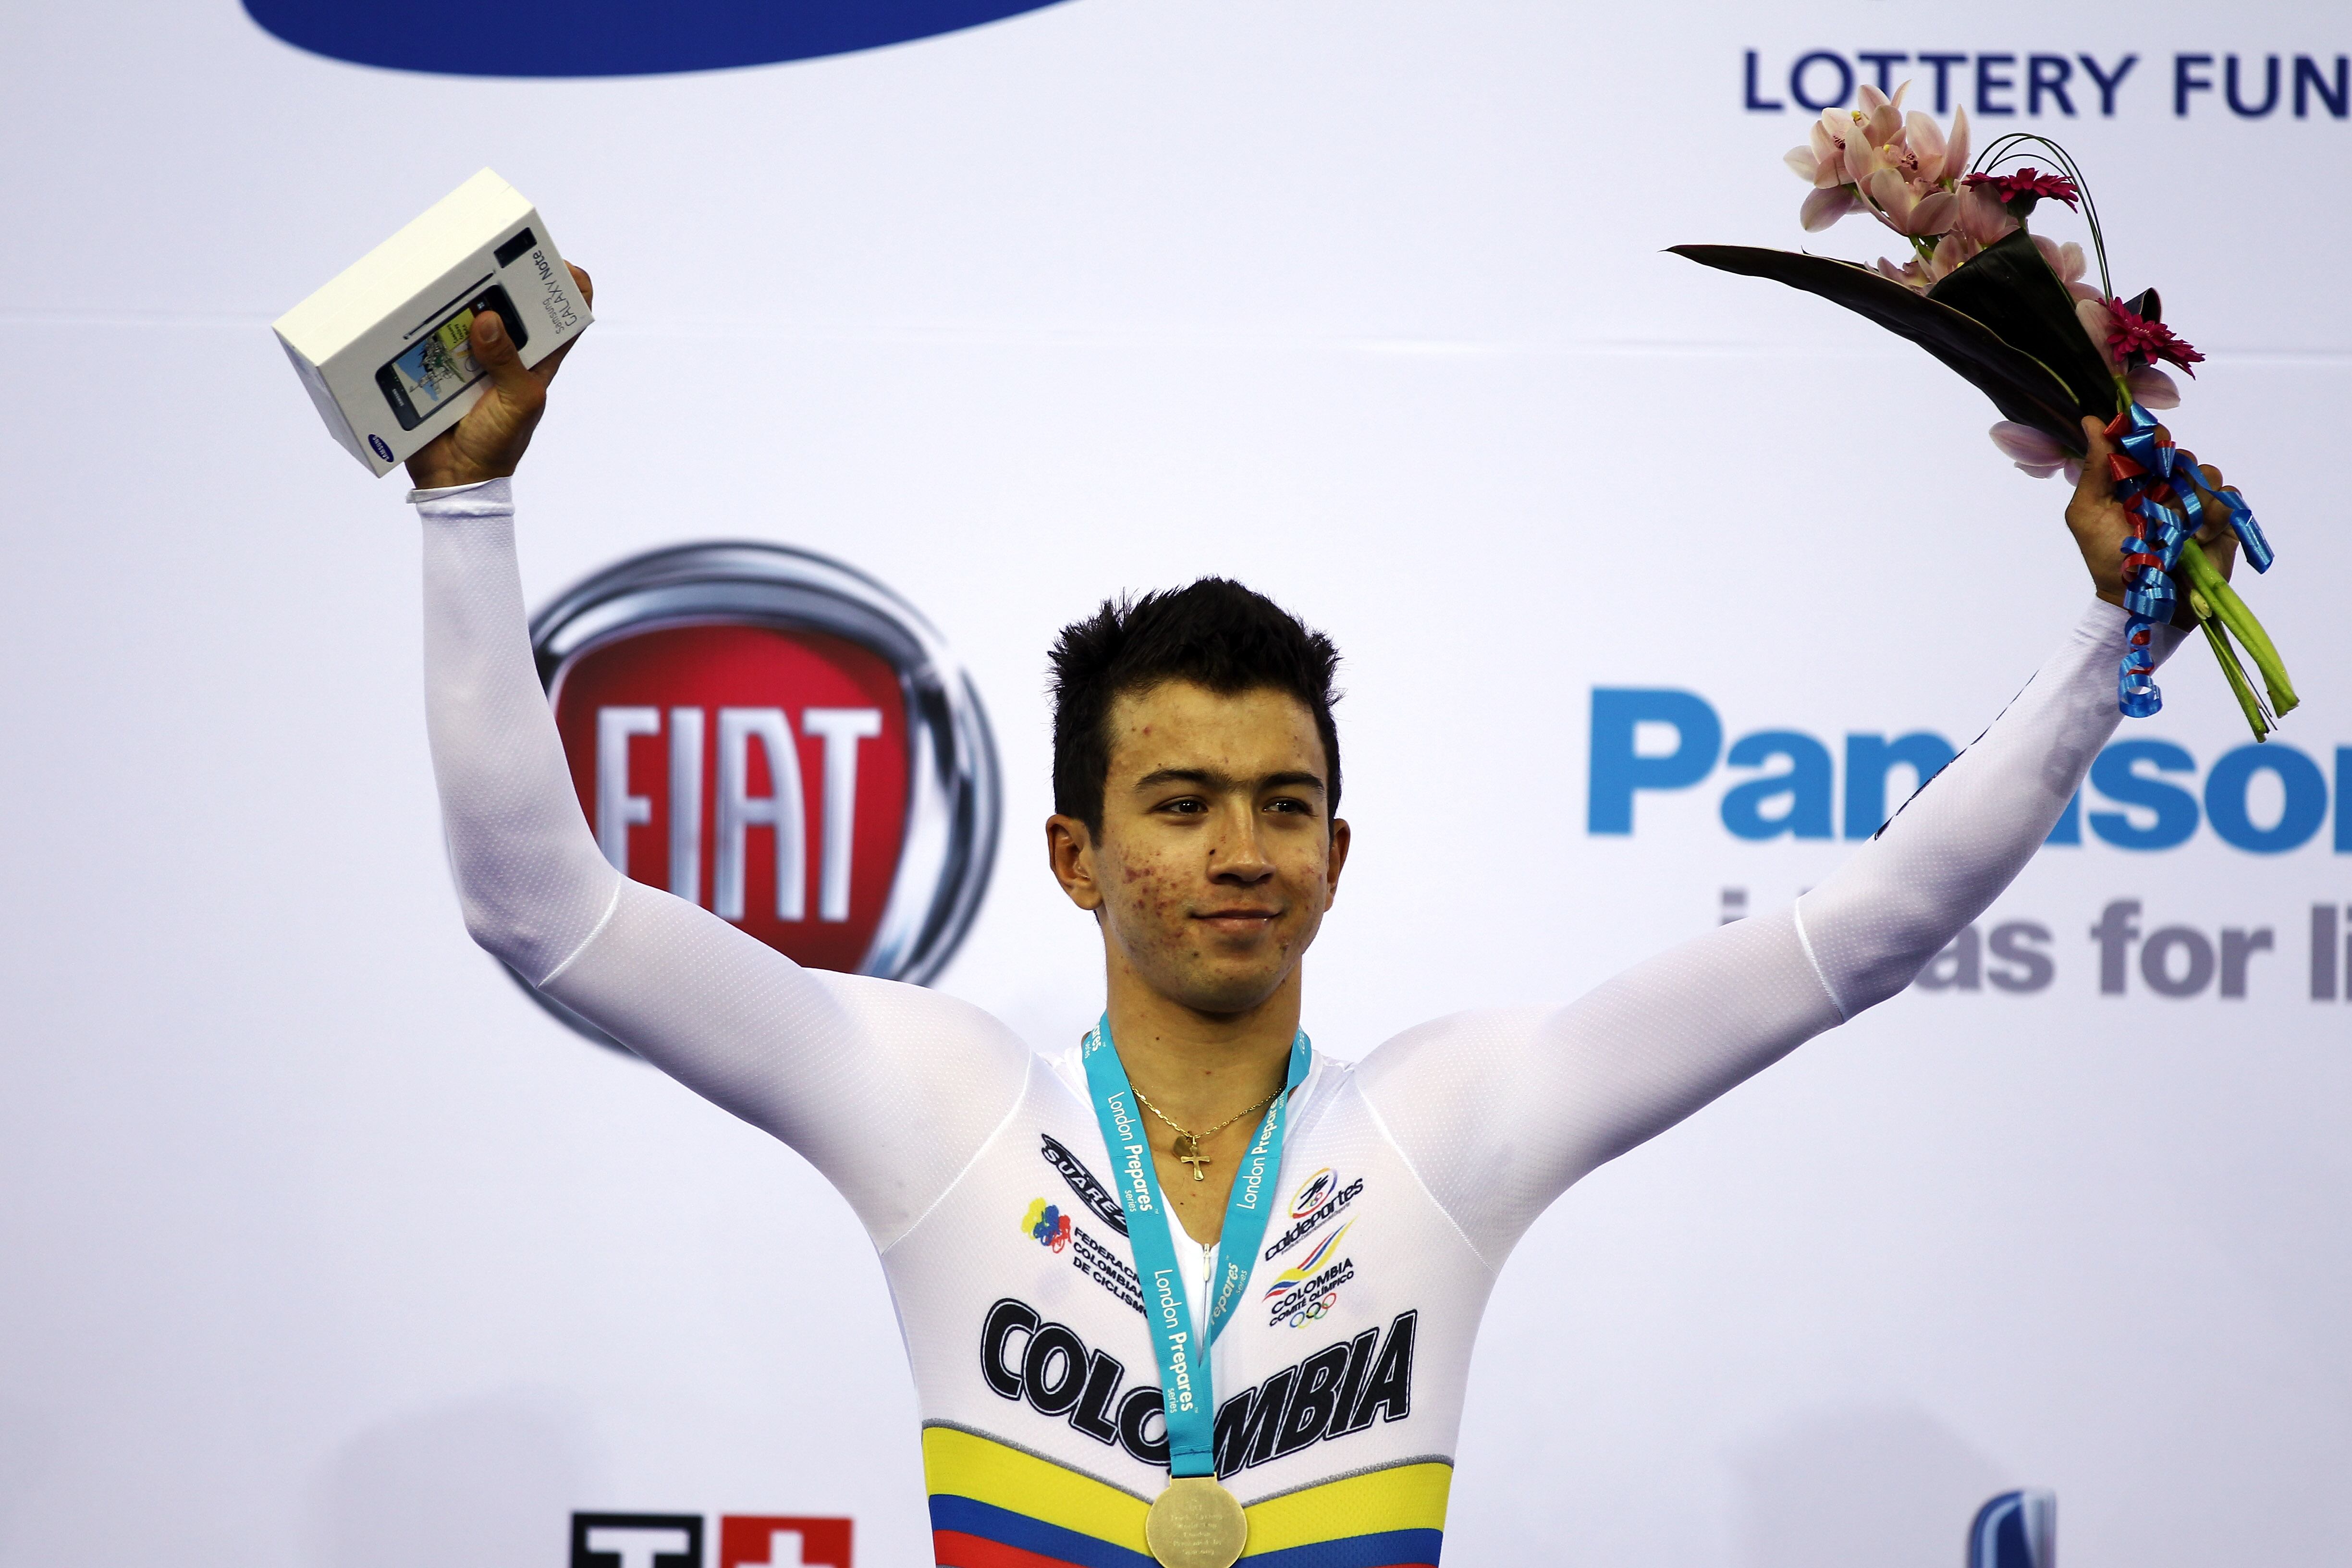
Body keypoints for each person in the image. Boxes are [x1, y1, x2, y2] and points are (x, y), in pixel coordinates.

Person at [401, 269, 2237, 1568]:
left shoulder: (1448, 1124)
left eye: (1285, 808)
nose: (1239, 852)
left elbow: (1866, 931)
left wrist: (2116, 641)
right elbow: (537, 906)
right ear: (1071, 855)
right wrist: (467, 495)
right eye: (1179, 806)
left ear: (1339, 859)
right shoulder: (938, 1109)